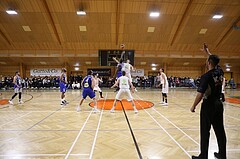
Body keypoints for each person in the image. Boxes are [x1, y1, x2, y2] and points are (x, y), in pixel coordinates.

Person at [190, 55, 226, 159]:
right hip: (219, 105)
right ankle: (222, 155)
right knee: (220, 131)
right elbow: (215, 62)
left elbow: (200, 94)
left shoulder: (206, 76)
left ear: (209, 63)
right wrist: (207, 52)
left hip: (208, 106)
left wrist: (193, 106)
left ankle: (203, 156)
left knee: (205, 131)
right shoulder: (220, 72)